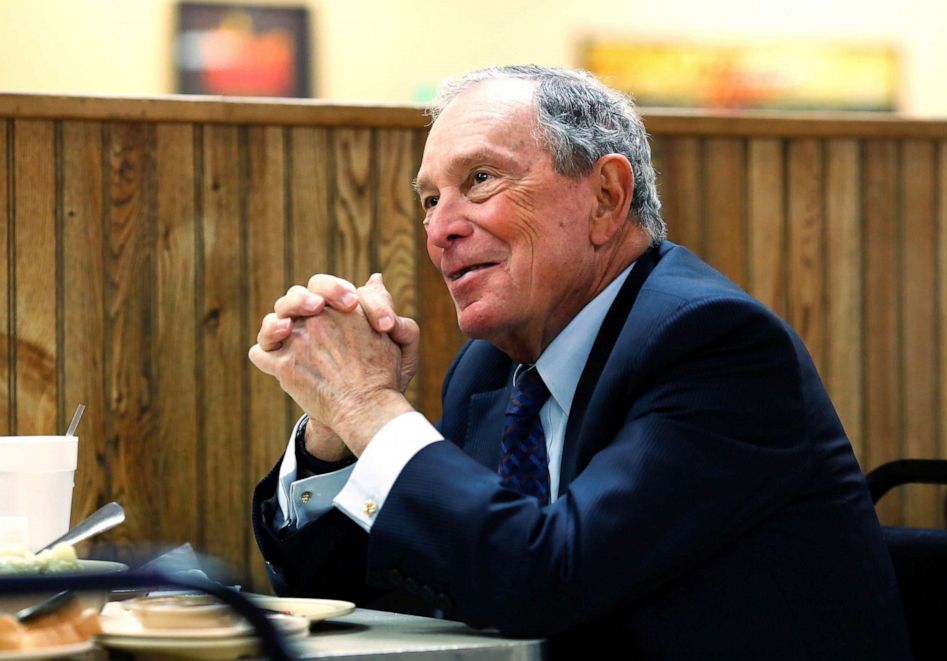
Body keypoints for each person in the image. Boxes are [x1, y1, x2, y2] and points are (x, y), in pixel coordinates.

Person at [249, 65, 911, 659]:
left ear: (604, 198)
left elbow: (546, 579)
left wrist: (373, 407)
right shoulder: (488, 369)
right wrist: (336, 433)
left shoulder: (714, 345)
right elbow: (361, 585)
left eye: (479, 180)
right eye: (429, 199)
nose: (440, 229)